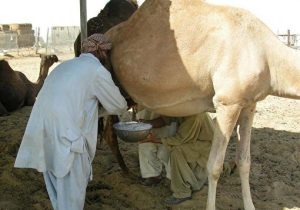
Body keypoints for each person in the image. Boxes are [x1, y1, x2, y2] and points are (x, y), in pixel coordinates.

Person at [14, 34, 128, 210]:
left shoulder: (64, 66)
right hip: (67, 139)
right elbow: (119, 105)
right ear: (101, 51)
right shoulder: (96, 70)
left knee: (58, 193)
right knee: (72, 197)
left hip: (43, 135)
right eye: (107, 52)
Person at [144, 112, 215, 206]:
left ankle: (182, 192)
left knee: (177, 151)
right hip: (197, 142)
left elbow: (179, 140)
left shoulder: (193, 116)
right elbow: (166, 119)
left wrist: (155, 140)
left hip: (205, 146)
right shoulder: (183, 109)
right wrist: (147, 123)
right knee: (172, 149)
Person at [137, 109, 176, 186]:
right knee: (145, 146)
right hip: (145, 114)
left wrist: (147, 123)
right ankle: (153, 175)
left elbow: (168, 119)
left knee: (166, 151)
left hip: (166, 113)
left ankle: (173, 177)